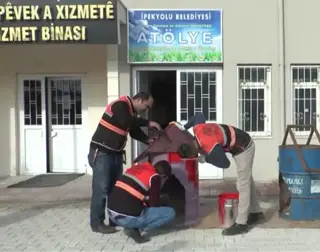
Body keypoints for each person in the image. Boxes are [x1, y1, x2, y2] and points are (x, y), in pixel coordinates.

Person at [177, 113, 264, 236]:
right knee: (247, 179)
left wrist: (205, 159)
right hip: (239, 141)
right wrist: (184, 128)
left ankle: (241, 224)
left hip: (244, 147)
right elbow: (199, 116)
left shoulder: (209, 144)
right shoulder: (197, 129)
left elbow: (225, 163)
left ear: (194, 152)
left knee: (242, 184)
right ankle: (256, 213)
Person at [88, 92, 162, 234]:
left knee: (115, 189)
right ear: (139, 100)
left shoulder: (130, 112)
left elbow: (133, 131)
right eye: (146, 107)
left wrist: (148, 140)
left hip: (115, 154)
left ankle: (114, 220)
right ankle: (96, 223)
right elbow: (127, 121)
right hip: (102, 153)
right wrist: (148, 122)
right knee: (101, 189)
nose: (146, 111)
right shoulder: (120, 105)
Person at [107, 161, 176, 243]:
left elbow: (136, 193)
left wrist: (147, 199)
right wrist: (161, 199)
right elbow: (154, 204)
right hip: (127, 218)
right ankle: (135, 228)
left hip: (112, 215)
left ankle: (131, 226)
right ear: (163, 176)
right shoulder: (155, 177)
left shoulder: (137, 168)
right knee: (170, 212)